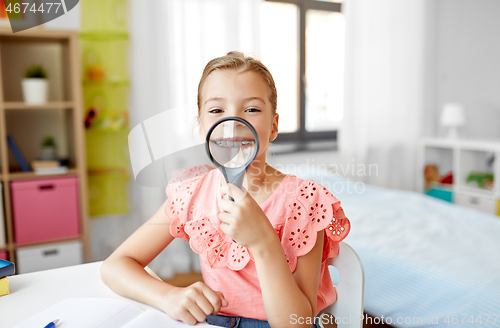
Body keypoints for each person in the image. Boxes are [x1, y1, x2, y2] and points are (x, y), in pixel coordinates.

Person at [101, 51, 350, 328]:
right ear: (202, 126)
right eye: (217, 111)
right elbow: (115, 266)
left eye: (251, 109)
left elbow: (298, 323)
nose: (232, 124)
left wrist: (264, 242)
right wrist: (168, 296)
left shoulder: (304, 201)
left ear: (274, 126)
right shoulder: (192, 195)